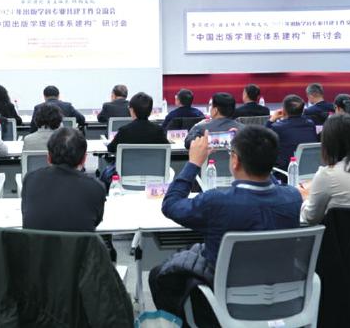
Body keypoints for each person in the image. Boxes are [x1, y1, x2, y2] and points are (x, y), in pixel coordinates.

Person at [149, 125, 302, 319]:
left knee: (157, 274)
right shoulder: (292, 198)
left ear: (235, 161)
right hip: (281, 295)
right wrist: (259, 155)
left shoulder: (217, 202)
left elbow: (171, 205)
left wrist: (194, 163)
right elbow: (266, 180)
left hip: (223, 298)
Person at [22, 127, 106, 232]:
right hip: (78, 243)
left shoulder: (30, 180)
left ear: (48, 157)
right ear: (84, 159)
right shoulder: (96, 188)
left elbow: (26, 215)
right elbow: (96, 221)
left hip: (36, 243)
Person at [101, 92, 169, 186]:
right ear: (150, 111)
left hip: (126, 176)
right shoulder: (158, 131)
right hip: (154, 175)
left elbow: (111, 148)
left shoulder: (124, 130)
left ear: (132, 110)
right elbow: (167, 147)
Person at [267, 94, 318, 170]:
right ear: (303, 110)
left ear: (284, 110)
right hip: (308, 170)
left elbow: (262, 139)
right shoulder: (310, 124)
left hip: (285, 172)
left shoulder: (277, 127)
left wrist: (271, 120)